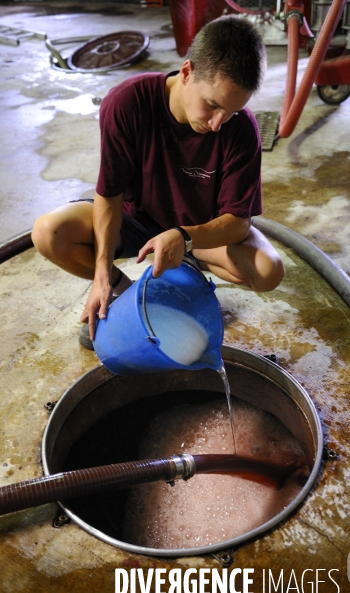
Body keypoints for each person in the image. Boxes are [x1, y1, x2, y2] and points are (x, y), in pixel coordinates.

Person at [32, 15, 285, 350]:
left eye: (231, 111)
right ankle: (124, 297)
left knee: (269, 270)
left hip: (199, 231)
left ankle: (186, 271)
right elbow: (109, 195)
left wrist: (184, 237)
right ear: (186, 72)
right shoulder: (126, 103)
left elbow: (237, 224)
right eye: (211, 105)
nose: (216, 124)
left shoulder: (240, 129)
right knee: (48, 232)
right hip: (135, 218)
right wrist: (102, 276)